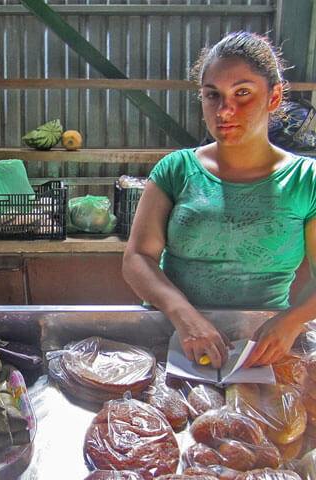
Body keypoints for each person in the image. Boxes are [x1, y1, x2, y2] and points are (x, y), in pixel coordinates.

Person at [122, 31, 316, 369]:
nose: (225, 110)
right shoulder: (177, 170)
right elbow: (138, 257)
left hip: (261, 348)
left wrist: (293, 320)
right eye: (213, 95)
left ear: (274, 98)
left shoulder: (306, 180)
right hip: (173, 339)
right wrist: (185, 316)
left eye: (243, 93)